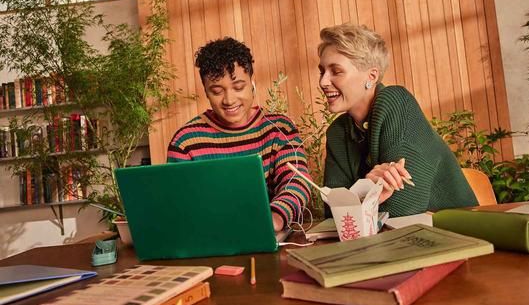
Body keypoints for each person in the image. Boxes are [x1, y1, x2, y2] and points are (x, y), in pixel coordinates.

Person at [318, 23, 477, 217]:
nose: (323, 82)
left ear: (371, 76)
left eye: (336, 71)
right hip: (399, 240)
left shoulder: (395, 101)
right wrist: (368, 191)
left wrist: (361, 201)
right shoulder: (337, 132)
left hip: (456, 235)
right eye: (322, 71)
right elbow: (333, 215)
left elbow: (404, 207)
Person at [167, 37, 311, 231]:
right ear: (206, 92)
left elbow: (296, 181)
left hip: (268, 233)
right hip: (210, 237)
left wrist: (275, 218)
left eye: (238, 87)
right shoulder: (186, 141)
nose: (229, 99)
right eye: (217, 91)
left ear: (252, 83)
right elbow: (179, 203)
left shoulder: (280, 129)